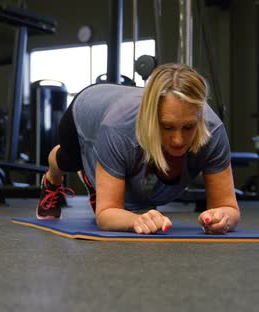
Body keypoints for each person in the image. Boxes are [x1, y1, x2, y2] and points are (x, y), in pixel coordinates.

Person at [36, 63, 240, 235]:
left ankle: (99, 172)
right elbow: (106, 214)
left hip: (119, 127)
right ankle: (54, 177)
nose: (178, 140)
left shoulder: (213, 132)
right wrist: (135, 220)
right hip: (87, 108)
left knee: (130, 199)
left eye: (188, 127)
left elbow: (229, 207)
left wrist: (223, 217)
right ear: (152, 118)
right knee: (70, 160)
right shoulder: (118, 129)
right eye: (167, 127)